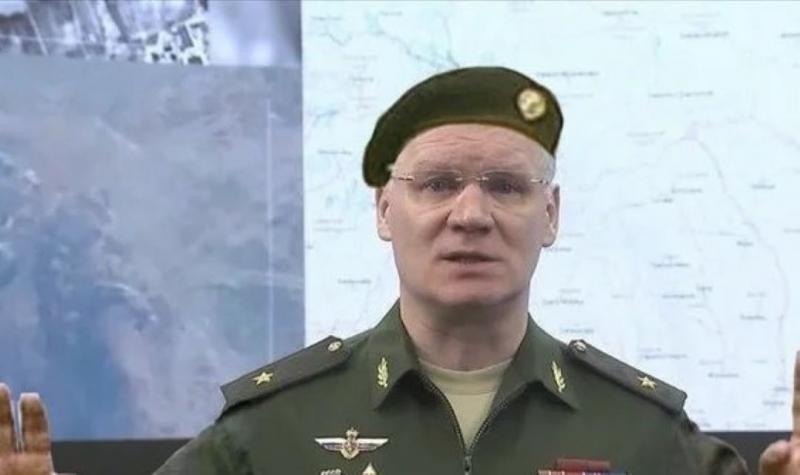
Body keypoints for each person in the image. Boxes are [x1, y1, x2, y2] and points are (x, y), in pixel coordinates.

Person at [1, 67, 798, 474]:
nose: (471, 214)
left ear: (550, 214)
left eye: (507, 186)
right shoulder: (268, 432)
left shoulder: (648, 435)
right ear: (386, 210)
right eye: (438, 184)